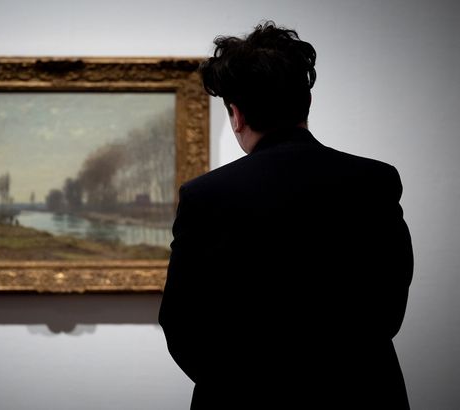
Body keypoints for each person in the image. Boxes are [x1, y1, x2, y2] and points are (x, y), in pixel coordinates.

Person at [158, 21, 413, 409]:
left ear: (236, 115)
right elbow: (388, 309)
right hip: (361, 393)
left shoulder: (205, 196)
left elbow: (182, 323)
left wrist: (238, 385)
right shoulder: (374, 181)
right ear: (305, 103)